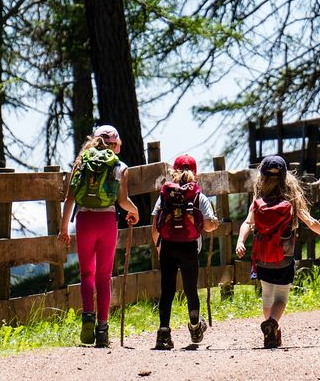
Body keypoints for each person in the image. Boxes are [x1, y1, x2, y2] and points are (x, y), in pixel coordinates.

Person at [235, 155, 320, 348]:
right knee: (281, 297)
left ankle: (271, 332)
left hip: (262, 258)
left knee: (267, 295)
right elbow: (309, 221)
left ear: (261, 177)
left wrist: (240, 241)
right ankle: (273, 324)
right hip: (284, 258)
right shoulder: (291, 199)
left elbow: (247, 222)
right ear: (285, 177)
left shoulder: (258, 199)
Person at [58, 125, 139, 347]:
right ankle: (102, 329)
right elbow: (122, 201)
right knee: (104, 277)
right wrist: (135, 211)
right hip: (107, 223)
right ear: (117, 144)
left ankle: (87, 317)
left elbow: (70, 199)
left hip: (84, 221)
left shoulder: (81, 163)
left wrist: (64, 228)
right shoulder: (120, 167)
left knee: (87, 274)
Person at [151, 154, 220, 350]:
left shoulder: (165, 195)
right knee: (190, 289)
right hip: (189, 247)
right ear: (195, 173)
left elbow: (155, 226)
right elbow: (207, 225)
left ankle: (163, 333)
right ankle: (196, 327)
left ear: (173, 172)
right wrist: (214, 224)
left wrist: (159, 247)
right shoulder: (199, 196)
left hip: (168, 246)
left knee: (167, 291)